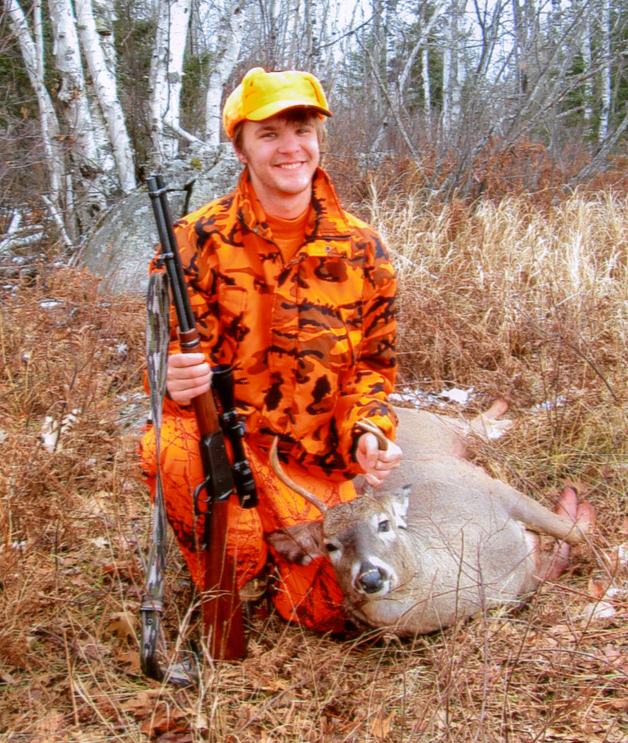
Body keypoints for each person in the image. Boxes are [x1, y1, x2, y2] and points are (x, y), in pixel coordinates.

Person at [140, 67, 402, 633]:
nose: (291, 148)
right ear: (240, 148)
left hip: (311, 460)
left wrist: (370, 431)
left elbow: (375, 369)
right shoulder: (192, 241)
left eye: (302, 129)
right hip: (229, 440)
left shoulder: (364, 249)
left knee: (333, 613)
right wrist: (170, 381)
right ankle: (232, 569)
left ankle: (273, 558)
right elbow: (165, 363)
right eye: (269, 134)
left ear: (318, 139)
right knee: (177, 456)